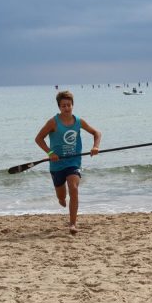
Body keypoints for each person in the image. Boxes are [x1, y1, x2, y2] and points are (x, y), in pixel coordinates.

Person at [35, 90, 102, 234]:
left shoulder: (78, 121)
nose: (66, 108)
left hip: (73, 162)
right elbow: (38, 139)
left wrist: (95, 146)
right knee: (62, 195)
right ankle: (61, 199)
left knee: (74, 189)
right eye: (63, 106)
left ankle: (72, 224)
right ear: (59, 107)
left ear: (73, 105)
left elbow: (97, 133)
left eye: (68, 105)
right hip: (57, 165)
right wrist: (50, 152)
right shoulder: (53, 122)